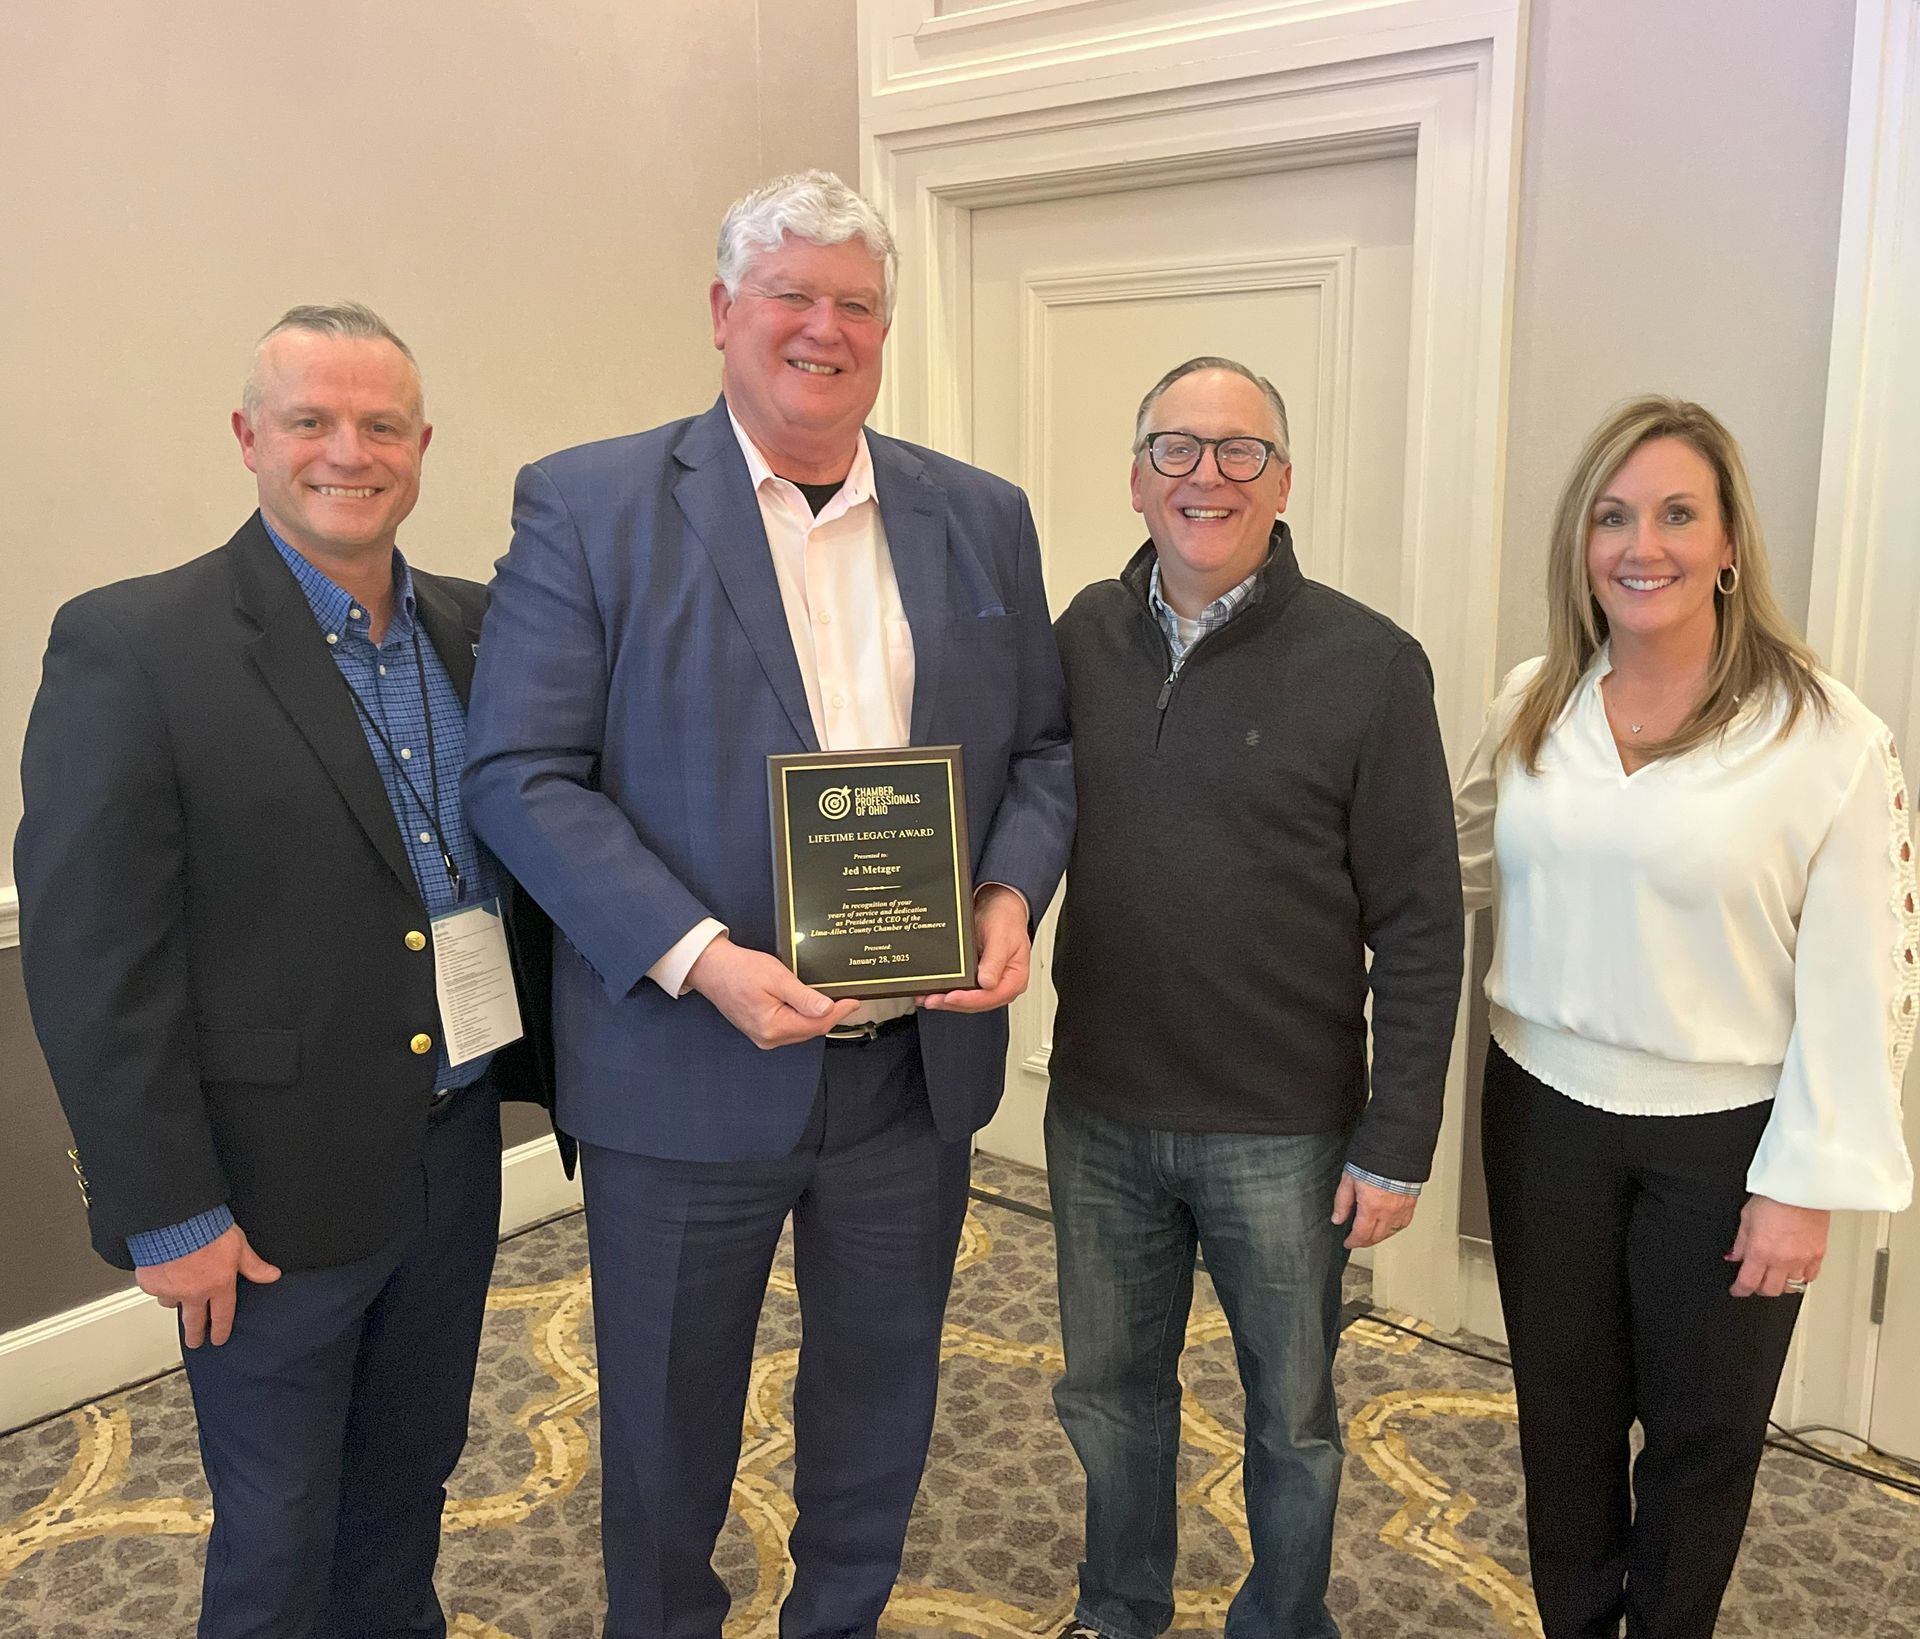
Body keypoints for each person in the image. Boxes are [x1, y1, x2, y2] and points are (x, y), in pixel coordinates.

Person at [462, 170, 1074, 1639]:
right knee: (668, 1422)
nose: (825, 327)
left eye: (856, 304)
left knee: (882, 1397)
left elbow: (1044, 747)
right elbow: (519, 773)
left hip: (908, 1070)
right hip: (687, 1065)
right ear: (725, 312)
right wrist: (702, 960)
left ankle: (839, 1617)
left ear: (885, 330)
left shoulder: (980, 516)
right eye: (792, 295)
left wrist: (1008, 890)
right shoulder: (592, 503)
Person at [13, 302, 559, 1639]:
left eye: (380, 423)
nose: (346, 450)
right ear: (249, 436)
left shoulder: (477, 629)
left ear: (422, 445)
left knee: (409, 1478)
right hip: (265, 1194)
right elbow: (95, 963)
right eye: (310, 419)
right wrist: (169, 1210)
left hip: (450, 1149)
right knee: (277, 1522)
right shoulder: (135, 644)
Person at [1453, 395, 1915, 1639]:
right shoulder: (1536, 702)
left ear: (1727, 544)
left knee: (1702, 1439)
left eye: (1673, 513)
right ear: (1581, 542)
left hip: (1729, 1141)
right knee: (1564, 1418)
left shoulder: (1826, 735)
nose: (1639, 544)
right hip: (1541, 1114)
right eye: (1612, 516)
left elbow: (1867, 974)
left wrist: (1804, 1181)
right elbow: (1451, 868)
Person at [1046, 356, 1464, 1639]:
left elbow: (1422, 920)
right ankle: (1121, 1608)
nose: (1206, 476)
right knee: (1111, 1397)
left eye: (1240, 452)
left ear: (1284, 481)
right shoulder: (1080, 637)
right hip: (1101, 1112)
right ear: (1135, 478)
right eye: (1176, 448)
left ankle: (1282, 1620)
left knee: (1293, 1415)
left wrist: (1396, 1143)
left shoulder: (1371, 663)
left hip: (1286, 1130)